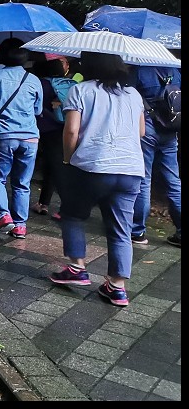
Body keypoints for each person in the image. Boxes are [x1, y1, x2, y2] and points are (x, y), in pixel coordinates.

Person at [49, 51, 146, 307]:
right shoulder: (133, 94)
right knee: (121, 230)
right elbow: (141, 131)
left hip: (93, 167)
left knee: (72, 214)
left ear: (88, 64)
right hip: (131, 170)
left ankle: (77, 267)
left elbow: (71, 130)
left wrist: (68, 159)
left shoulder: (81, 90)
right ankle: (117, 287)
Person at [0, 45, 43, 238]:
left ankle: (4, 215)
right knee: (22, 182)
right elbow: (37, 110)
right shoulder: (34, 80)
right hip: (30, 137)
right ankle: (20, 225)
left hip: (3, 135)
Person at [129, 59, 181, 248]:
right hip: (170, 130)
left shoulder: (140, 70)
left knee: (144, 179)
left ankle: (137, 230)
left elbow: (129, 96)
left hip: (147, 128)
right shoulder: (175, 68)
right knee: (174, 181)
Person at [31, 58, 75, 220]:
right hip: (61, 128)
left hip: (38, 128)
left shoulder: (40, 83)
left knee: (50, 167)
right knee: (55, 166)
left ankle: (64, 207)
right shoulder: (69, 84)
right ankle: (44, 203)